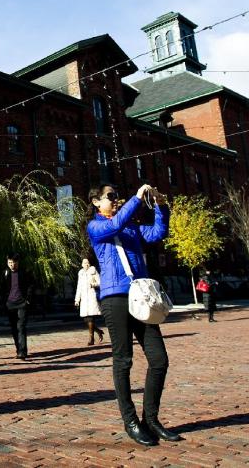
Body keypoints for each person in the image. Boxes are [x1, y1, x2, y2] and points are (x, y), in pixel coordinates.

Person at [88, 183, 179, 447]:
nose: (115, 200)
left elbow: (157, 232)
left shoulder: (129, 227)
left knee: (159, 359)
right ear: (96, 202)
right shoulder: (96, 227)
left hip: (140, 297)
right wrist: (137, 198)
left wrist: (160, 205)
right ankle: (130, 422)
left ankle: (151, 419)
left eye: (118, 196)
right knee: (123, 360)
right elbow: (113, 225)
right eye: (111, 197)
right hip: (114, 298)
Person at [2, 254, 34, 359]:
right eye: (10, 263)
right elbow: (1, 287)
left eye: (14, 263)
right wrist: (4, 302)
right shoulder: (5, 273)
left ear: (17, 262)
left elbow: (31, 285)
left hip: (22, 303)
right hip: (10, 304)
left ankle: (23, 351)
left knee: (21, 327)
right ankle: (18, 349)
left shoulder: (24, 272)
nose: (12, 265)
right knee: (14, 328)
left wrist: (28, 300)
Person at [74, 257, 104, 345]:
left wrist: (93, 284)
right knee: (86, 320)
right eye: (84, 263)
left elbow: (100, 282)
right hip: (84, 298)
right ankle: (99, 331)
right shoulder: (81, 273)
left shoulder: (93, 271)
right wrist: (77, 299)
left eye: (87, 263)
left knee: (90, 319)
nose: (86, 264)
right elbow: (79, 287)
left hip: (91, 297)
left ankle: (91, 339)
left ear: (89, 264)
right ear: (82, 264)